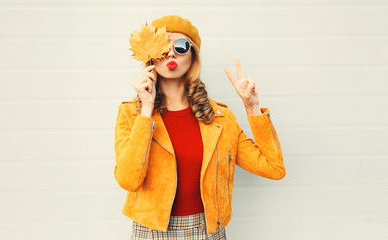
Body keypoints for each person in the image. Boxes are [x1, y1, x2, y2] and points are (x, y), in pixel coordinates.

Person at [114, 15, 286, 240]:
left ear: (192, 56)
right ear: (150, 57)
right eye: (164, 46)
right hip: (150, 232)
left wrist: (252, 107)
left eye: (181, 46)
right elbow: (128, 180)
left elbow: (274, 168)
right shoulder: (131, 113)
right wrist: (146, 110)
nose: (171, 53)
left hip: (207, 231)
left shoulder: (220, 118)